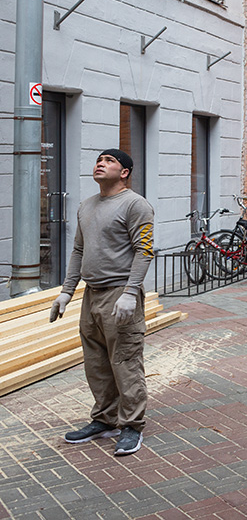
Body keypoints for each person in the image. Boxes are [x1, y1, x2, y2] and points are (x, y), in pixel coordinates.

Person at [50, 149, 154, 456]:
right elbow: (78, 251)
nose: (101, 163)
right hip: (91, 294)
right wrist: (66, 292)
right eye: (99, 160)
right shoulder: (87, 205)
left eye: (109, 161)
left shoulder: (135, 205)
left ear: (124, 172)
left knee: (125, 361)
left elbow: (144, 250)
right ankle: (105, 419)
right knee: (96, 363)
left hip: (120, 294)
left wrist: (130, 293)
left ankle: (132, 426)